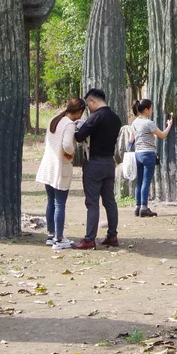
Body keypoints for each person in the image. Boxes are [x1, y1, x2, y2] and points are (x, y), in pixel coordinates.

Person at [73, 88, 123, 250]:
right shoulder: (116, 118)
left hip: (94, 163)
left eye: (88, 105)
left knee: (92, 202)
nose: (88, 108)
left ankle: (89, 239)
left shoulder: (95, 117)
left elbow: (79, 136)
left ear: (93, 101)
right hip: (110, 162)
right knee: (109, 200)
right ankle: (112, 235)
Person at [35, 98, 85, 249]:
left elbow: (48, 141)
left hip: (48, 165)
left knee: (51, 202)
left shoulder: (55, 119)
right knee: (60, 204)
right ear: (79, 111)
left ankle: (51, 235)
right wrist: (71, 153)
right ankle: (59, 239)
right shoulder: (69, 124)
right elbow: (68, 145)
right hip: (60, 167)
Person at [130, 98, 173, 218]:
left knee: (139, 181)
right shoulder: (148, 122)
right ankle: (144, 207)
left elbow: (133, 139)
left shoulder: (135, 122)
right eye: (151, 108)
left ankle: (137, 206)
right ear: (146, 109)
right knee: (146, 182)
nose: (152, 111)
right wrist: (169, 125)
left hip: (138, 154)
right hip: (148, 154)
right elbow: (163, 135)